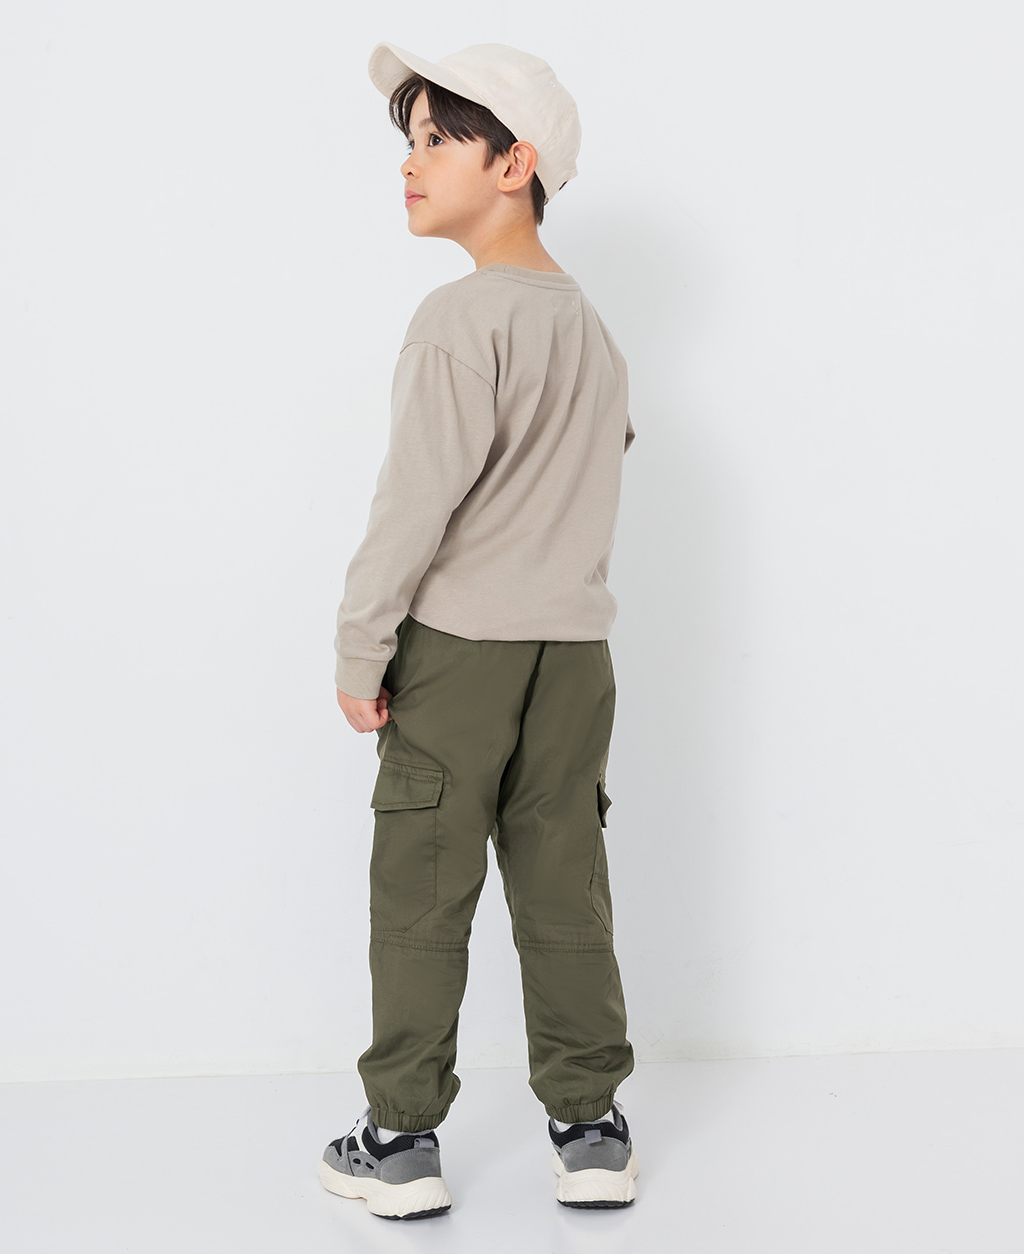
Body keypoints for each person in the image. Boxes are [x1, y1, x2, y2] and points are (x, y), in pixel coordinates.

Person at [317, 41, 639, 1220]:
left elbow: (414, 505)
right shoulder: (590, 330)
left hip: (459, 655)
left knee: (422, 887)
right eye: (408, 141)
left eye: (436, 140)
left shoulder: (457, 320)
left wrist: (361, 648)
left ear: (515, 165)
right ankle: (590, 1130)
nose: (409, 163)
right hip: (576, 655)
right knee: (563, 882)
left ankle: (400, 1139)